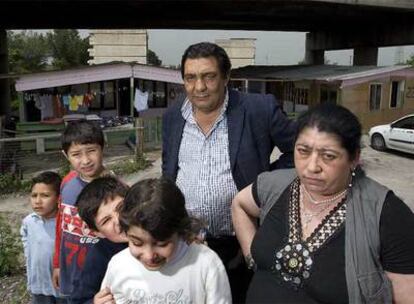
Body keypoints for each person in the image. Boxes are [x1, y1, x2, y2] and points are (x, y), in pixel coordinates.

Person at [232, 104, 414, 303]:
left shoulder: (386, 214)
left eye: (328, 156)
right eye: (303, 151)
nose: (312, 167)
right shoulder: (274, 185)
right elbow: (240, 204)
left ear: (354, 159)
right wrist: (253, 257)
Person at [162, 41, 297, 302]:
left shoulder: (258, 109)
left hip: (241, 242)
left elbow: (298, 151)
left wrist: (265, 184)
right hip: (187, 243)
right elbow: (168, 171)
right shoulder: (173, 117)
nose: (199, 87)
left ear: (226, 77)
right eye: (190, 78)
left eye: (208, 76)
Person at [95, 177, 232, 304]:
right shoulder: (118, 266)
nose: (149, 255)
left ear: (180, 231)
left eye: (162, 244)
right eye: (137, 243)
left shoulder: (205, 264)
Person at [52, 120, 110, 302]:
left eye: (91, 150)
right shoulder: (67, 183)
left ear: (102, 148)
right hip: (69, 272)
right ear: (65, 155)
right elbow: (61, 226)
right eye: (76, 154)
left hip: (99, 279)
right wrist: (57, 264)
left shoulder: (115, 190)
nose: (85, 160)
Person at [70, 176, 129, 304]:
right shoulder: (98, 256)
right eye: (106, 220)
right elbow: (78, 300)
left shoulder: (157, 230)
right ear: (97, 232)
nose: (119, 220)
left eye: (121, 208)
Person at [20, 171, 67, 304]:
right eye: (34, 195)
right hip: (39, 287)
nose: (38, 201)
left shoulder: (65, 223)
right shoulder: (29, 222)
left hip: (62, 288)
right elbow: (28, 248)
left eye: (45, 195)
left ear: (59, 198)